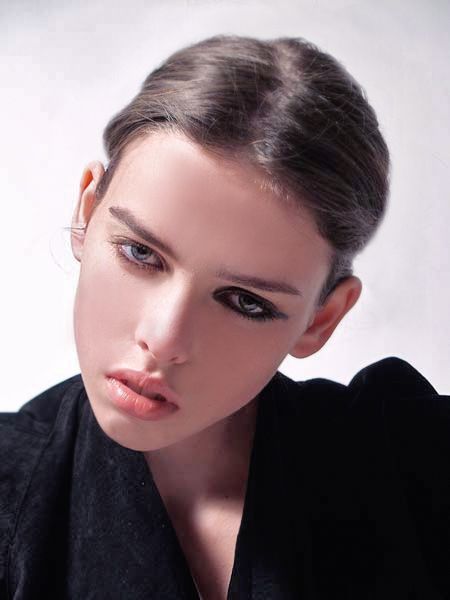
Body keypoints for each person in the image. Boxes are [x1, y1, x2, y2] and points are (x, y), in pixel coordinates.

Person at [0, 34, 448, 600]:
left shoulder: (412, 465)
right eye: (140, 253)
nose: (163, 339)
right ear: (86, 215)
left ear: (322, 319)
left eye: (246, 301)